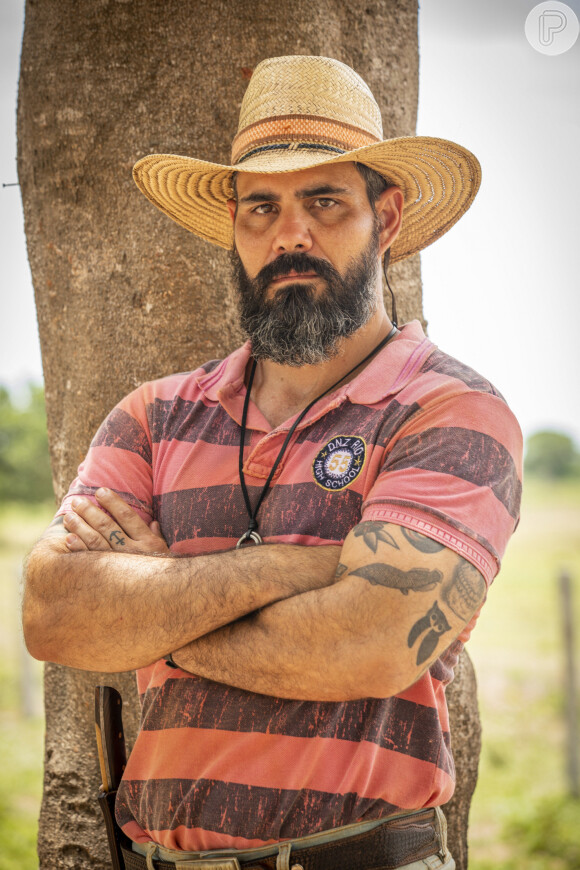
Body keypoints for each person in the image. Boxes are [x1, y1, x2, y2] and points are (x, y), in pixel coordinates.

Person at [23, 55, 522, 870]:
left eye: (324, 201)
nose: (291, 234)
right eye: (262, 207)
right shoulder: (153, 417)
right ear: (233, 226)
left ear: (385, 217)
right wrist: (298, 568)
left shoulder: (450, 412)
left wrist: (153, 609)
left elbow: (367, 646)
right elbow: (55, 616)